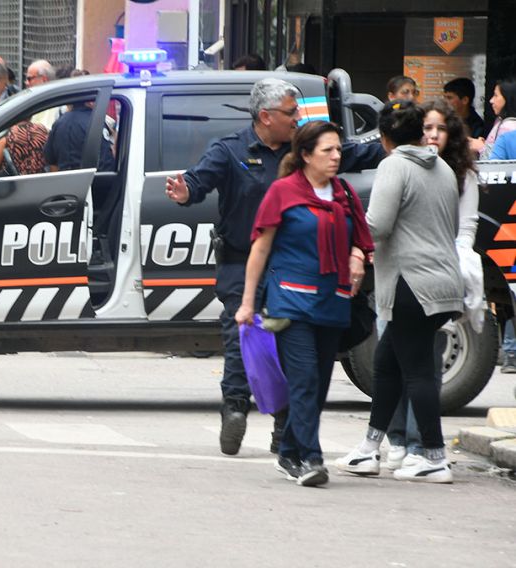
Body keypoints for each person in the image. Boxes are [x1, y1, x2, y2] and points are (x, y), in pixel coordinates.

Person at [165, 78, 385, 456]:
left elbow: (352, 154)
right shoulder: (230, 150)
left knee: (290, 343)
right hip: (240, 261)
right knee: (243, 337)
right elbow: (199, 181)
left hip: (290, 268)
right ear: (266, 117)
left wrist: (400, 144)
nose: (297, 117)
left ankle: (285, 424)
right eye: (290, 112)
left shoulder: (304, 150)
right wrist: (185, 192)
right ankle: (235, 407)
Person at [235, 121, 373, 486]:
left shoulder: (343, 193)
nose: (336, 157)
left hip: (333, 301)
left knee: (319, 383)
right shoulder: (283, 192)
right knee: (305, 379)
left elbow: (361, 237)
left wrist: (357, 256)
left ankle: (288, 452)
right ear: (306, 155)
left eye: (339, 150)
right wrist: (247, 303)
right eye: (328, 150)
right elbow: (260, 248)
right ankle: (312, 458)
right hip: (290, 303)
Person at [335, 100, 464, 484]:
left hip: (411, 283)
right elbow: (450, 224)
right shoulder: (440, 166)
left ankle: (434, 456)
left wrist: (348, 225)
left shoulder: (394, 165)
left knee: (419, 372)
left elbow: (378, 224)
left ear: (386, 138)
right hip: (442, 280)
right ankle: (369, 450)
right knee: (387, 366)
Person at [382, 99, 480, 469]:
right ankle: (392, 440)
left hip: (433, 279)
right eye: (427, 128)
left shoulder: (453, 173)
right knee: (388, 362)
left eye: (440, 128)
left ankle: (425, 448)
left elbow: (463, 229)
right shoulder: (409, 167)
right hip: (400, 277)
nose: (433, 135)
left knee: (422, 368)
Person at [44, 101, 114, 172]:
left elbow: (52, 163)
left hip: (73, 179)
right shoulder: (99, 121)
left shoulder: (61, 124)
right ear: (90, 102)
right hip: (105, 178)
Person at [478, 78, 516, 159]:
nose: (491, 100)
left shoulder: (508, 127)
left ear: (508, 98)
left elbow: (495, 163)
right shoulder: (500, 121)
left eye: (496, 95)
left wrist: (480, 147)